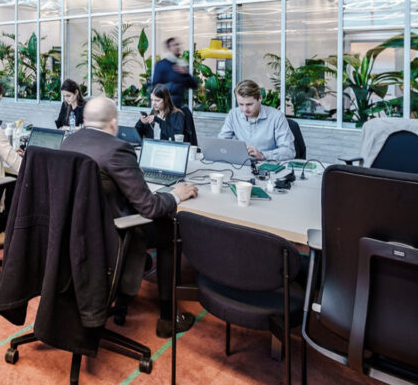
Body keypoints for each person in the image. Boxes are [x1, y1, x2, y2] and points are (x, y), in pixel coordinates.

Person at [61, 96, 198, 338]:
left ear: (85, 119)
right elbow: (150, 208)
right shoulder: (117, 149)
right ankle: (168, 318)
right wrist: (175, 195)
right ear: (114, 123)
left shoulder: (69, 141)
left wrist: (131, 173)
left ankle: (128, 286)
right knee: (169, 228)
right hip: (112, 232)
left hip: (79, 231)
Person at [218, 80, 296, 161]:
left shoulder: (277, 117)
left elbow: (289, 151)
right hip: (242, 164)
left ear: (260, 98)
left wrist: (262, 155)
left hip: (268, 164)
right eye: (241, 104)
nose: (245, 109)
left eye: (249, 104)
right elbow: (221, 143)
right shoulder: (233, 114)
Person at [151, 37, 197, 109]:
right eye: (174, 45)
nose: (177, 47)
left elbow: (193, 85)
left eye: (178, 44)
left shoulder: (182, 64)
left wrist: (186, 74)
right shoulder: (161, 65)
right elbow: (155, 86)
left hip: (178, 107)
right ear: (169, 48)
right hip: (166, 108)